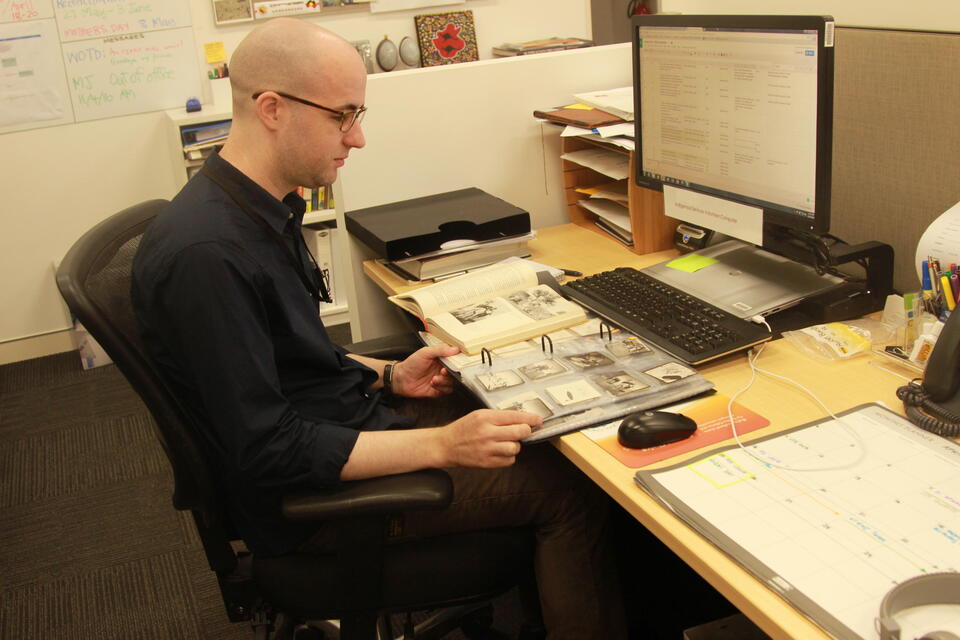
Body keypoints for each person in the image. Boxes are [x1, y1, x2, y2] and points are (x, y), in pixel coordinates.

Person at [132, 18, 626, 639]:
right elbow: (268, 449)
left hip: (340, 427)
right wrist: (442, 447)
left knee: (535, 422)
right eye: (342, 116)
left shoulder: (251, 209)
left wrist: (389, 375)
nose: (357, 137)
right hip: (311, 504)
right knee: (570, 489)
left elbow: (283, 357)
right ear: (272, 109)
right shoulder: (206, 255)